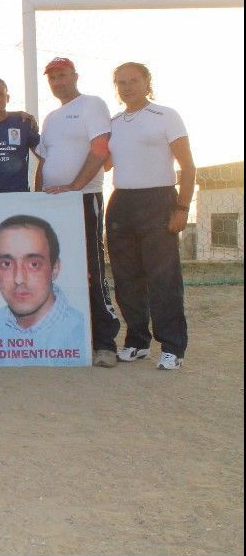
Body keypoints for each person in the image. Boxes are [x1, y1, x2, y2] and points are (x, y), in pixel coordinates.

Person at [106, 62, 195, 371]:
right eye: (120, 82)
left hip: (158, 200)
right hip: (121, 203)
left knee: (163, 278)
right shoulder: (113, 122)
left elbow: (188, 166)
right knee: (126, 278)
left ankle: (172, 346)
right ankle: (137, 341)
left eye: (133, 80)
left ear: (147, 82)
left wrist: (181, 207)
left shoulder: (166, 116)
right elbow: (100, 162)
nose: (126, 87)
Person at [36, 57, 121, 368]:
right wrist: (37, 200)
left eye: (62, 75)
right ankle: (66, 338)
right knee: (54, 269)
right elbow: (44, 162)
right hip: (54, 205)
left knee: (92, 268)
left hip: (83, 198)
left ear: (74, 75)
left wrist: (74, 186)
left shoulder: (92, 105)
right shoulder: (51, 118)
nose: (57, 81)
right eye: (52, 77)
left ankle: (105, 343)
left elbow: (101, 149)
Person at [0, 215, 87, 367]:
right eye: (6, 264)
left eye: (34, 264)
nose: (19, 279)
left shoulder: (80, 331)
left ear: (55, 268)